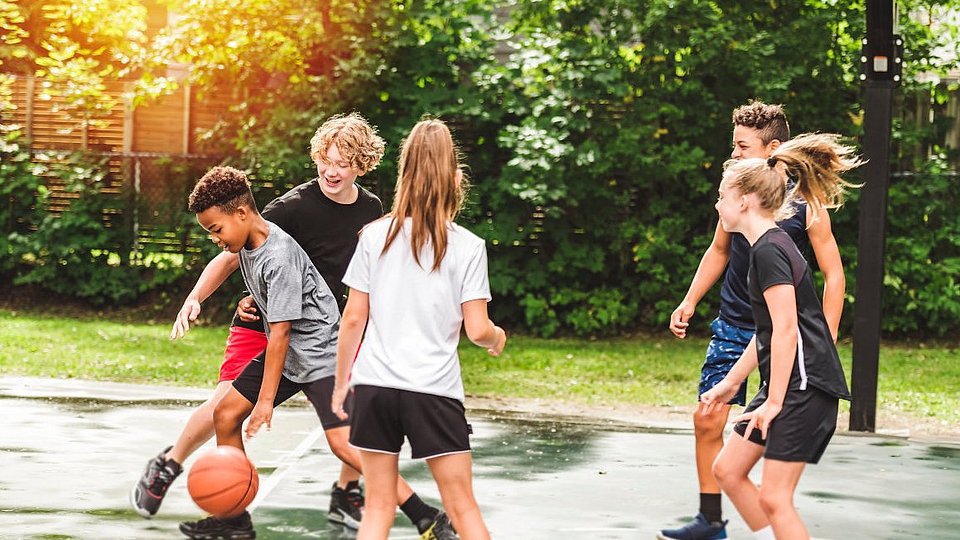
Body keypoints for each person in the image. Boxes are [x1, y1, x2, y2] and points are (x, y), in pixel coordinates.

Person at [131, 114, 455, 538]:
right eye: (325, 160)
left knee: (345, 440)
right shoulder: (290, 208)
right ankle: (225, 514)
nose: (331, 170)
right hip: (279, 326)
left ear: (362, 163)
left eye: (343, 162)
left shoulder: (370, 209)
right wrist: (199, 296)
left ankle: (423, 515)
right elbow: (238, 251)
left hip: (316, 340)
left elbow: (360, 270)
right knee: (225, 411)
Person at [660, 101, 846, 540]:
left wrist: (823, 345)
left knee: (774, 496)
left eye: (742, 146)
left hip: (792, 352)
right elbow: (719, 253)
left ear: (772, 148)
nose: (734, 154)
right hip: (751, 333)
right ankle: (712, 520)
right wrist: (690, 300)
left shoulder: (788, 224)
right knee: (720, 445)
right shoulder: (741, 207)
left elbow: (804, 309)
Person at [331, 119, 506, 540]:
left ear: (403, 174)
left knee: (376, 509)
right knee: (462, 508)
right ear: (455, 178)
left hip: (374, 386)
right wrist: (496, 337)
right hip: (433, 390)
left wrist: (341, 384)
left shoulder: (374, 236)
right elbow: (477, 329)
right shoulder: (467, 245)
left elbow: (353, 318)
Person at [700, 133, 862, 540]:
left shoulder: (771, 251)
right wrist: (731, 383)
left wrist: (773, 403)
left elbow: (788, 329)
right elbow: (770, 333)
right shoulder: (763, 248)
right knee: (728, 470)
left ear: (744, 201)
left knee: (775, 497)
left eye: (722, 196)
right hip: (788, 383)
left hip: (804, 387)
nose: (717, 204)